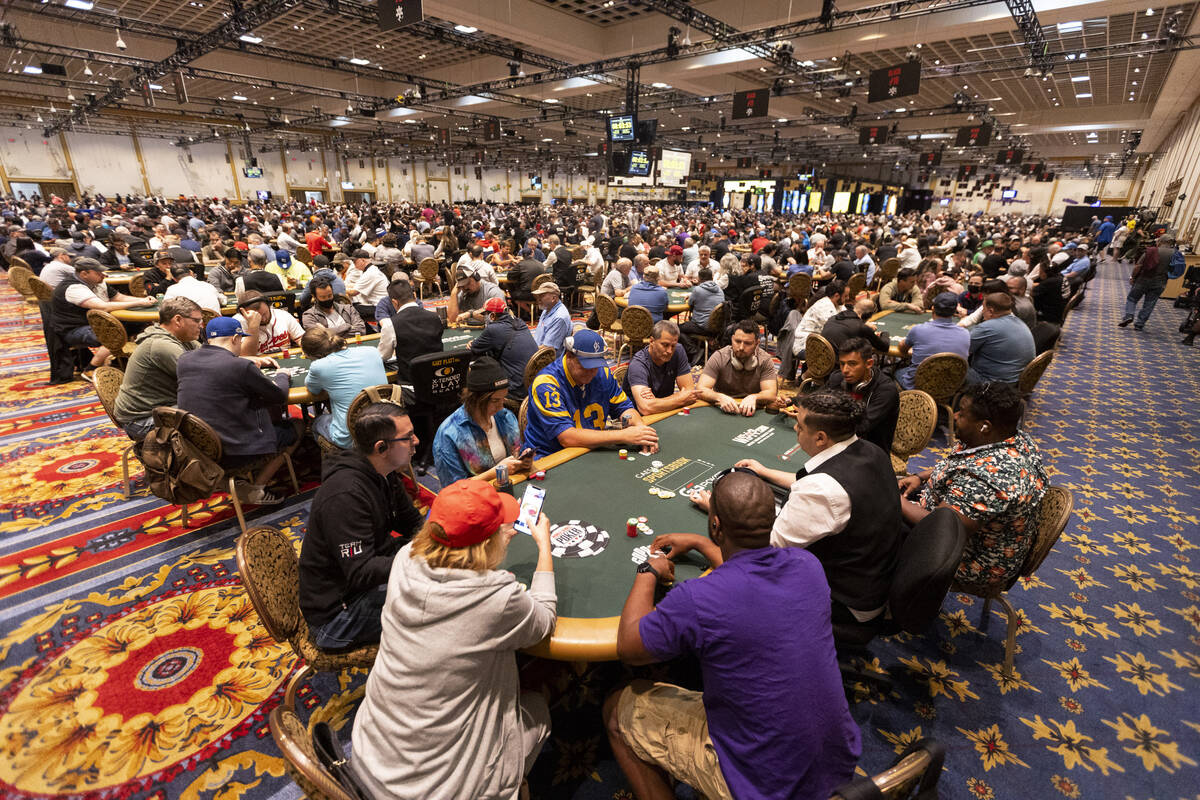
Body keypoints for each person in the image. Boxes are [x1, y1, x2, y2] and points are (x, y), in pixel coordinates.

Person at [604, 469, 860, 800]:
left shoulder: (699, 599)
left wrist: (648, 571)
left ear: (716, 525)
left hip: (765, 786)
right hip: (836, 762)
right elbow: (748, 573)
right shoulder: (807, 565)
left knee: (616, 708)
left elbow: (629, 647)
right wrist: (699, 543)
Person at [348, 479, 555, 800]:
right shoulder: (496, 595)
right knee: (538, 709)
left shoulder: (404, 558)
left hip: (368, 759)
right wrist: (545, 549)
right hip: (441, 791)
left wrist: (489, 542)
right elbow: (543, 621)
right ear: (485, 544)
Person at [704, 391, 903, 623]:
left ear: (820, 438)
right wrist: (764, 471)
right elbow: (820, 482)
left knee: (739, 588)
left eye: (799, 426)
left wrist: (718, 511)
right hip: (874, 576)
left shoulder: (821, 490)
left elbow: (764, 551)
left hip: (846, 601)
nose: (796, 430)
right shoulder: (871, 451)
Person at [298, 402, 425, 650]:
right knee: (440, 607)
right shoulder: (346, 496)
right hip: (337, 616)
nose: (417, 441)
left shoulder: (385, 472)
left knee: (443, 580)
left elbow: (412, 523)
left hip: (365, 580)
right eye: (408, 437)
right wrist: (423, 557)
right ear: (381, 447)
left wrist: (439, 543)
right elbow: (361, 571)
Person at [899, 382, 1047, 591]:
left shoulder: (990, 479)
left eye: (962, 413)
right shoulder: (1011, 438)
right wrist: (921, 477)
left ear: (984, 426)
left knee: (876, 521)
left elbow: (940, 528)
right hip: (957, 518)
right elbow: (961, 464)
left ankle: (878, 605)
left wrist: (894, 500)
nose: (956, 416)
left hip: (969, 558)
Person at [176, 316, 300, 505]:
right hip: (235, 451)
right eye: (240, 340)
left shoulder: (184, 360)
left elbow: (219, 365)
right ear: (235, 338)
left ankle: (226, 481)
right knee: (298, 426)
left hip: (196, 448)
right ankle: (256, 490)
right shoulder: (240, 366)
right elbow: (278, 396)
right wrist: (282, 375)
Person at [524, 329, 658, 456]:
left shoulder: (602, 373)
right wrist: (624, 435)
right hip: (551, 456)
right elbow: (567, 438)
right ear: (569, 356)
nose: (592, 373)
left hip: (590, 449)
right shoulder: (547, 384)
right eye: (585, 367)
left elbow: (624, 408)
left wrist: (641, 431)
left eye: (596, 366)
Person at [112, 297, 204, 440]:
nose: (201, 325)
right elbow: (204, 379)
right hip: (141, 421)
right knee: (213, 409)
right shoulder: (161, 345)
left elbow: (212, 357)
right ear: (178, 320)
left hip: (162, 407)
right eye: (197, 320)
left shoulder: (183, 338)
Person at [50, 258, 156, 381]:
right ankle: (91, 368)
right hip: (72, 329)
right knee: (114, 333)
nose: (104, 275)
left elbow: (118, 297)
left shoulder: (98, 282)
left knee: (139, 324)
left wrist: (140, 300)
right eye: (98, 273)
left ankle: (120, 361)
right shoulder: (73, 288)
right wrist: (140, 303)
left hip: (95, 323)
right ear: (84, 274)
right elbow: (103, 307)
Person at [433, 357, 533, 484]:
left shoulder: (505, 417)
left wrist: (522, 460)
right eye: (495, 401)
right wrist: (496, 472)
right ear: (475, 398)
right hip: (475, 499)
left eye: (503, 399)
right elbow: (454, 491)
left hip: (508, 486)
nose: (501, 407)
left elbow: (516, 453)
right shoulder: (448, 434)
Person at [302, 325, 388, 450]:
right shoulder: (372, 351)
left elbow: (313, 390)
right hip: (387, 427)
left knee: (316, 422)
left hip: (352, 440)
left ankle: (338, 464)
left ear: (313, 355)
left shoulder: (318, 366)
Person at [824, 337, 900, 453]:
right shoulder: (838, 378)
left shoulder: (885, 390)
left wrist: (818, 419)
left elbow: (862, 426)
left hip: (870, 454)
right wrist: (792, 401)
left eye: (852, 364)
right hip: (837, 444)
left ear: (869, 363)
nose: (845, 370)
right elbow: (819, 397)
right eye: (842, 364)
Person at [698, 319, 778, 416]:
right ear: (732, 339)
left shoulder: (765, 360)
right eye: (737, 341)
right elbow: (701, 389)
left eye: (747, 343)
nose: (741, 347)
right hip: (724, 408)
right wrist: (719, 397)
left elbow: (771, 393)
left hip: (752, 410)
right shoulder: (719, 356)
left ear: (757, 343)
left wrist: (754, 397)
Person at [897, 292, 971, 389]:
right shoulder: (966, 334)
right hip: (949, 388)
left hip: (918, 387)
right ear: (954, 312)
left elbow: (903, 350)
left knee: (897, 371)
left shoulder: (918, 329)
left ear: (933, 308)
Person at [623, 320, 699, 415]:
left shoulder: (678, 350)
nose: (670, 351)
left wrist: (656, 403)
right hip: (639, 419)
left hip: (665, 412)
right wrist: (680, 397)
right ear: (651, 341)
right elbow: (646, 408)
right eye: (665, 345)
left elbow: (689, 393)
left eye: (673, 346)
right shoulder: (638, 364)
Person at [377, 279, 444, 383]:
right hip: (438, 380)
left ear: (394, 302)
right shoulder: (436, 317)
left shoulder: (390, 324)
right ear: (414, 295)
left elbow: (382, 356)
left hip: (411, 386)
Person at [468, 297, 539, 394]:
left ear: (492, 315)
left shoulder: (493, 330)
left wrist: (473, 342)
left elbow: (474, 348)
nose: (484, 317)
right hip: (535, 384)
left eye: (485, 314)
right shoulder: (520, 322)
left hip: (517, 388)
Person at [967, 292, 1036, 384]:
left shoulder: (986, 327)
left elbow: (962, 350)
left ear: (991, 311)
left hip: (992, 382)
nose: (983, 312)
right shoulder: (1020, 322)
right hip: (1018, 380)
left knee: (950, 368)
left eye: (983, 309)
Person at [1119, 235, 1176, 331]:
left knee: (1132, 298)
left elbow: (1138, 265)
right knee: (1149, 303)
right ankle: (1139, 324)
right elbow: (1175, 270)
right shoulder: (1175, 254)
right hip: (1160, 282)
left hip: (1144, 279)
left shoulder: (1151, 250)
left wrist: (1133, 277)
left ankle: (1129, 315)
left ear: (1160, 241)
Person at [233, 291, 304, 355]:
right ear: (242, 314)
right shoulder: (237, 323)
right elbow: (245, 355)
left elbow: (302, 339)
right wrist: (253, 326)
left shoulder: (282, 315)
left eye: (264, 314)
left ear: (268, 305)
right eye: (258, 317)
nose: (263, 319)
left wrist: (305, 346)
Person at [300, 274, 366, 336]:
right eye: (323, 297)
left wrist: (327, 331)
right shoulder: (309, 316)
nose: (327, 299)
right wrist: (347, 326)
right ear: (314, 296)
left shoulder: (348, 309)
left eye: (329, 295)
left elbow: (361, 330)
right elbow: (319, 338)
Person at [821, 296, 890, 354]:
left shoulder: (833, 318)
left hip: (822, 362)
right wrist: (884, 334)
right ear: (867, 315)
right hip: (841, 366)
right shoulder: (861, 327)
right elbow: (884, 347)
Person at [531, 281, 571, 354]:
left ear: (553, 298)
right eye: (538, 296)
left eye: (542, 296)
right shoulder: (547, 309)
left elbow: (547, 350)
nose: (538, 299)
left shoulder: (559, 317)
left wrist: (527, 351)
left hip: (546, 361)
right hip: (536, 350)